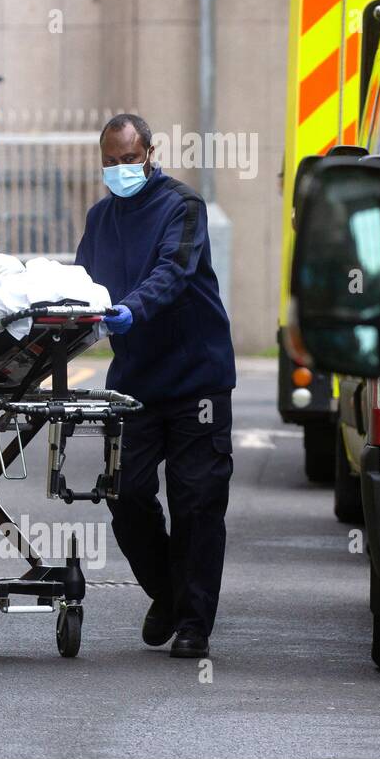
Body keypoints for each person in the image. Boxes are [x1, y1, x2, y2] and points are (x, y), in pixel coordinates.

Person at [74, 112, 236, 659]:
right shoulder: (101, 219)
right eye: (111, 162)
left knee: (196, 503)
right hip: (136, 385)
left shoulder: (183, 207)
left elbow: (174, 271)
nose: (121, 169)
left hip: (197, 383)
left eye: (129, 158)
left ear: (150, 152)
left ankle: (193, 624)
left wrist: (129, 310)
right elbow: (79, 285)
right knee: (127, 494)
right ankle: (166, 592)